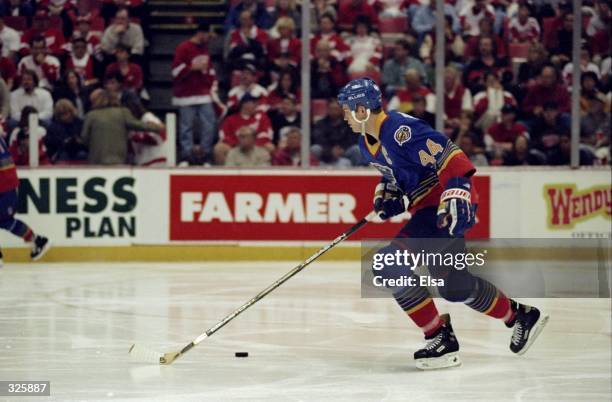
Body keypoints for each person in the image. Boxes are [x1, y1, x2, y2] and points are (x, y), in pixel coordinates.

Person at [336, 78, 548, 370]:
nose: (344, 116)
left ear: (361, 109)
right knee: (455, 288)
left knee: (387, 264)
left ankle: (438, 335)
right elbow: (396, 177)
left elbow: (451, 155)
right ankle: (519, 316)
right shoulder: (366, 143)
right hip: (428, 209)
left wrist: (458, 189)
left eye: (347, 110)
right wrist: (389, 196)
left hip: (444, 207)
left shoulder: (400, 129)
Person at [171, 22, 219, 165]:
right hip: (186, 94)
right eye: (207, 35)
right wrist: (192, 68)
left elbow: (209, 69)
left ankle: (205, 155)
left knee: (209, 124)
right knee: (186, 127)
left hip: (203, 92)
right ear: (200, 33)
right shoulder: (183, 48)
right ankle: (186, 156)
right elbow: (175, 71)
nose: (209, 38)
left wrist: (212, 83)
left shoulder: (205, 48)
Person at [0, 134, 50, 268]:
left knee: (5, 220)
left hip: (4, 186)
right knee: (5, 221)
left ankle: (37, 240)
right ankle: (37, 240)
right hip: (6, 184)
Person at [80, 88, 163, 165]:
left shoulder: (90, 115)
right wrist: (158, 127)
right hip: (118, 159)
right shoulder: (123, 112)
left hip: (96, 160)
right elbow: (139, 125)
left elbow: (84, 138)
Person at [122, 92, 166, 166]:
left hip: (155, 160)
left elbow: (160, 138)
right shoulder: (131, 121)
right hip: (142, 163)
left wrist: (138, 137)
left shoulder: (147, 117)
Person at [45, 98, 86, 162]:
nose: (65, 117)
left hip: (78, 149)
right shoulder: (54, 126)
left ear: (71, 112)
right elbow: (50, 143)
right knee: (63, 156)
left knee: (82, 155)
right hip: (61, 151)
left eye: (66, 113)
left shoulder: (80, 123)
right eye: (62, 114)